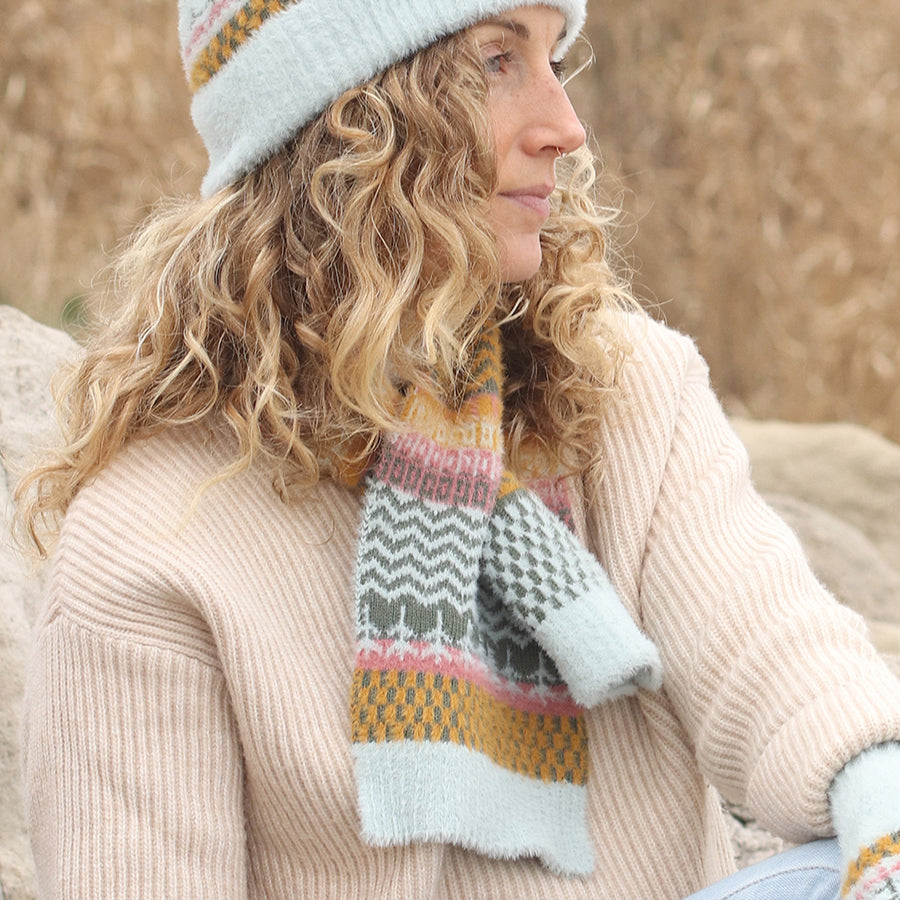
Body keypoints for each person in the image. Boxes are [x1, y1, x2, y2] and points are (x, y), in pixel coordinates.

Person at [15, 1, 900, 898]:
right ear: (350, 118)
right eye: (495, 61)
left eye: (556, 59)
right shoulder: (147, 549)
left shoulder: (621, 392)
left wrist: (883, 813)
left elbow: (779, 656)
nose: (565, 127)